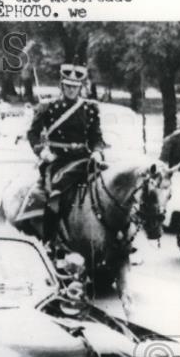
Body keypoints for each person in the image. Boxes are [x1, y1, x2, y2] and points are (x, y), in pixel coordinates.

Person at [26, 62, 105, 255]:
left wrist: (97, 151)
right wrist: (42, 152)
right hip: (56, 160)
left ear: (81, 87)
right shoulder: (48, 107)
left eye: (75, 87)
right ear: (62, 86)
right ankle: (49, 240)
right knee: (55, 197)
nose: (71, 90)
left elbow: (97, 138)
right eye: (68, 86)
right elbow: (33, 134)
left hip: (84, 159)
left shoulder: (90, 109)